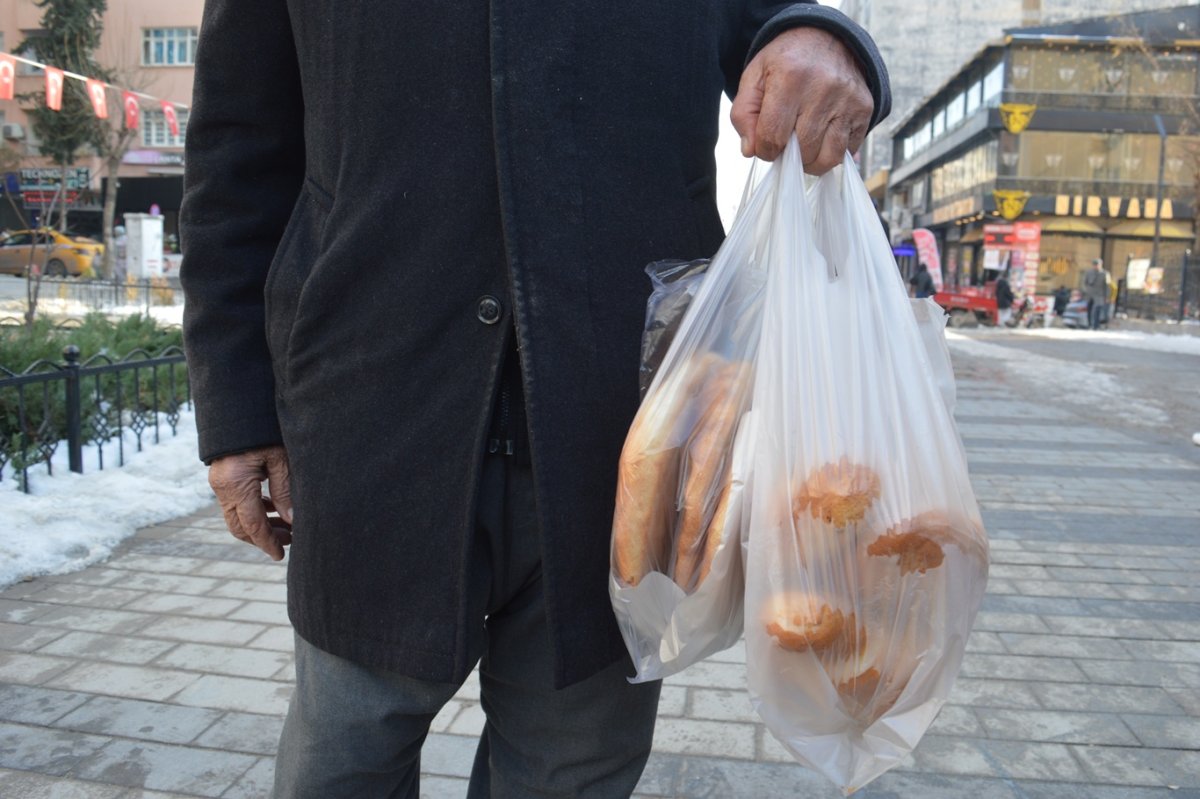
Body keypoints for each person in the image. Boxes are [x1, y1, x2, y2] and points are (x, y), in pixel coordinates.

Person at [180, 3, 890, 797]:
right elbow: (237, 152)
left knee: (571, 769)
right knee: (344, 753)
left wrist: (827, 41)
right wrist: (235, 403)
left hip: (631, 431)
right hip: (371, 402)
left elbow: (776, 25)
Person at [1081, 257, 1111, 330]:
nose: (1096, 266)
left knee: (1097, 310)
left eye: (1097, 264)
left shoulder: (1105, 274)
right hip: (1090, 294)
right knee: (1089, 309)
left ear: (1101, 265)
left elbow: (1107, 286)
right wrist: (1086, 291)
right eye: (1094, 265)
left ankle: (1096, 325)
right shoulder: (1089, 272)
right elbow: (1084, 283)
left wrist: (1107, 296)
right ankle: (1089, 324)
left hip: (1099, 294)